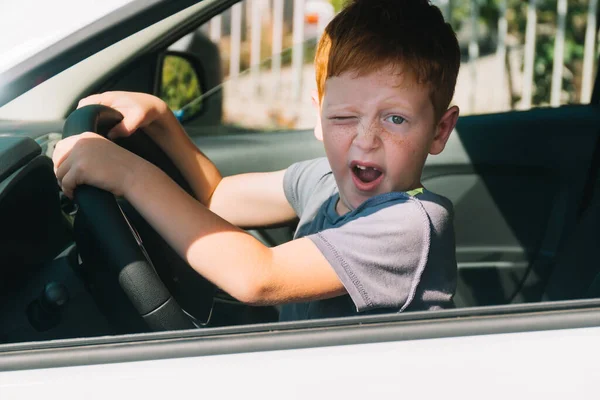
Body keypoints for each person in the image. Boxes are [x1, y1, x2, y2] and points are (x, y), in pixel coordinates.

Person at [52, 0, 461, 321]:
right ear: (318, 115)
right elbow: (218, 196)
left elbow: (258, 278)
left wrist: (128, 174)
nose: (366, 140)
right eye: (344, 117)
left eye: (395, 119)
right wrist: (161, 120)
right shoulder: (323, 181)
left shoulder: (411, 226)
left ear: (439, 131)